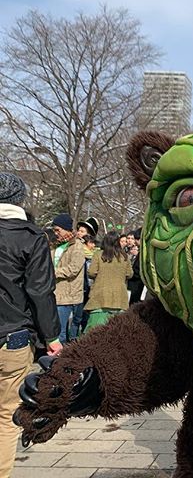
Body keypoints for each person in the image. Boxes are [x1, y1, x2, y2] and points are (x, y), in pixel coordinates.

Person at [0, 173, 61, 478]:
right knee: (5, 415)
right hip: (13, 336)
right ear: (19, 200)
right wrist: (52, 336)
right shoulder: (30, 236)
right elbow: (39, 291)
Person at [84, 231, 134, 331]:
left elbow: (92, 273)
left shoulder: (98, 255)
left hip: (100, 298)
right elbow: (130, 274)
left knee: (94, 333)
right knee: (116, 334)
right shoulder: (124, 256)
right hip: (120, 299)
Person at [51, 213, 87, 344]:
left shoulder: (77, 246)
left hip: (67, 296)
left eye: (57, 230)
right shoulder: (55, 245)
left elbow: (74, 269)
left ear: (66, 229)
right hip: (54, 292)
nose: (55, 233)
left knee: (60, 332)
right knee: (54, 330)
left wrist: (53, 272)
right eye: (54, 230)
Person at [128, 227, 145, 305]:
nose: (134, 242)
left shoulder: (143, 252)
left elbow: (138, 270)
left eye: (135, 239)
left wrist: (130, 273)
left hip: (136, 285)